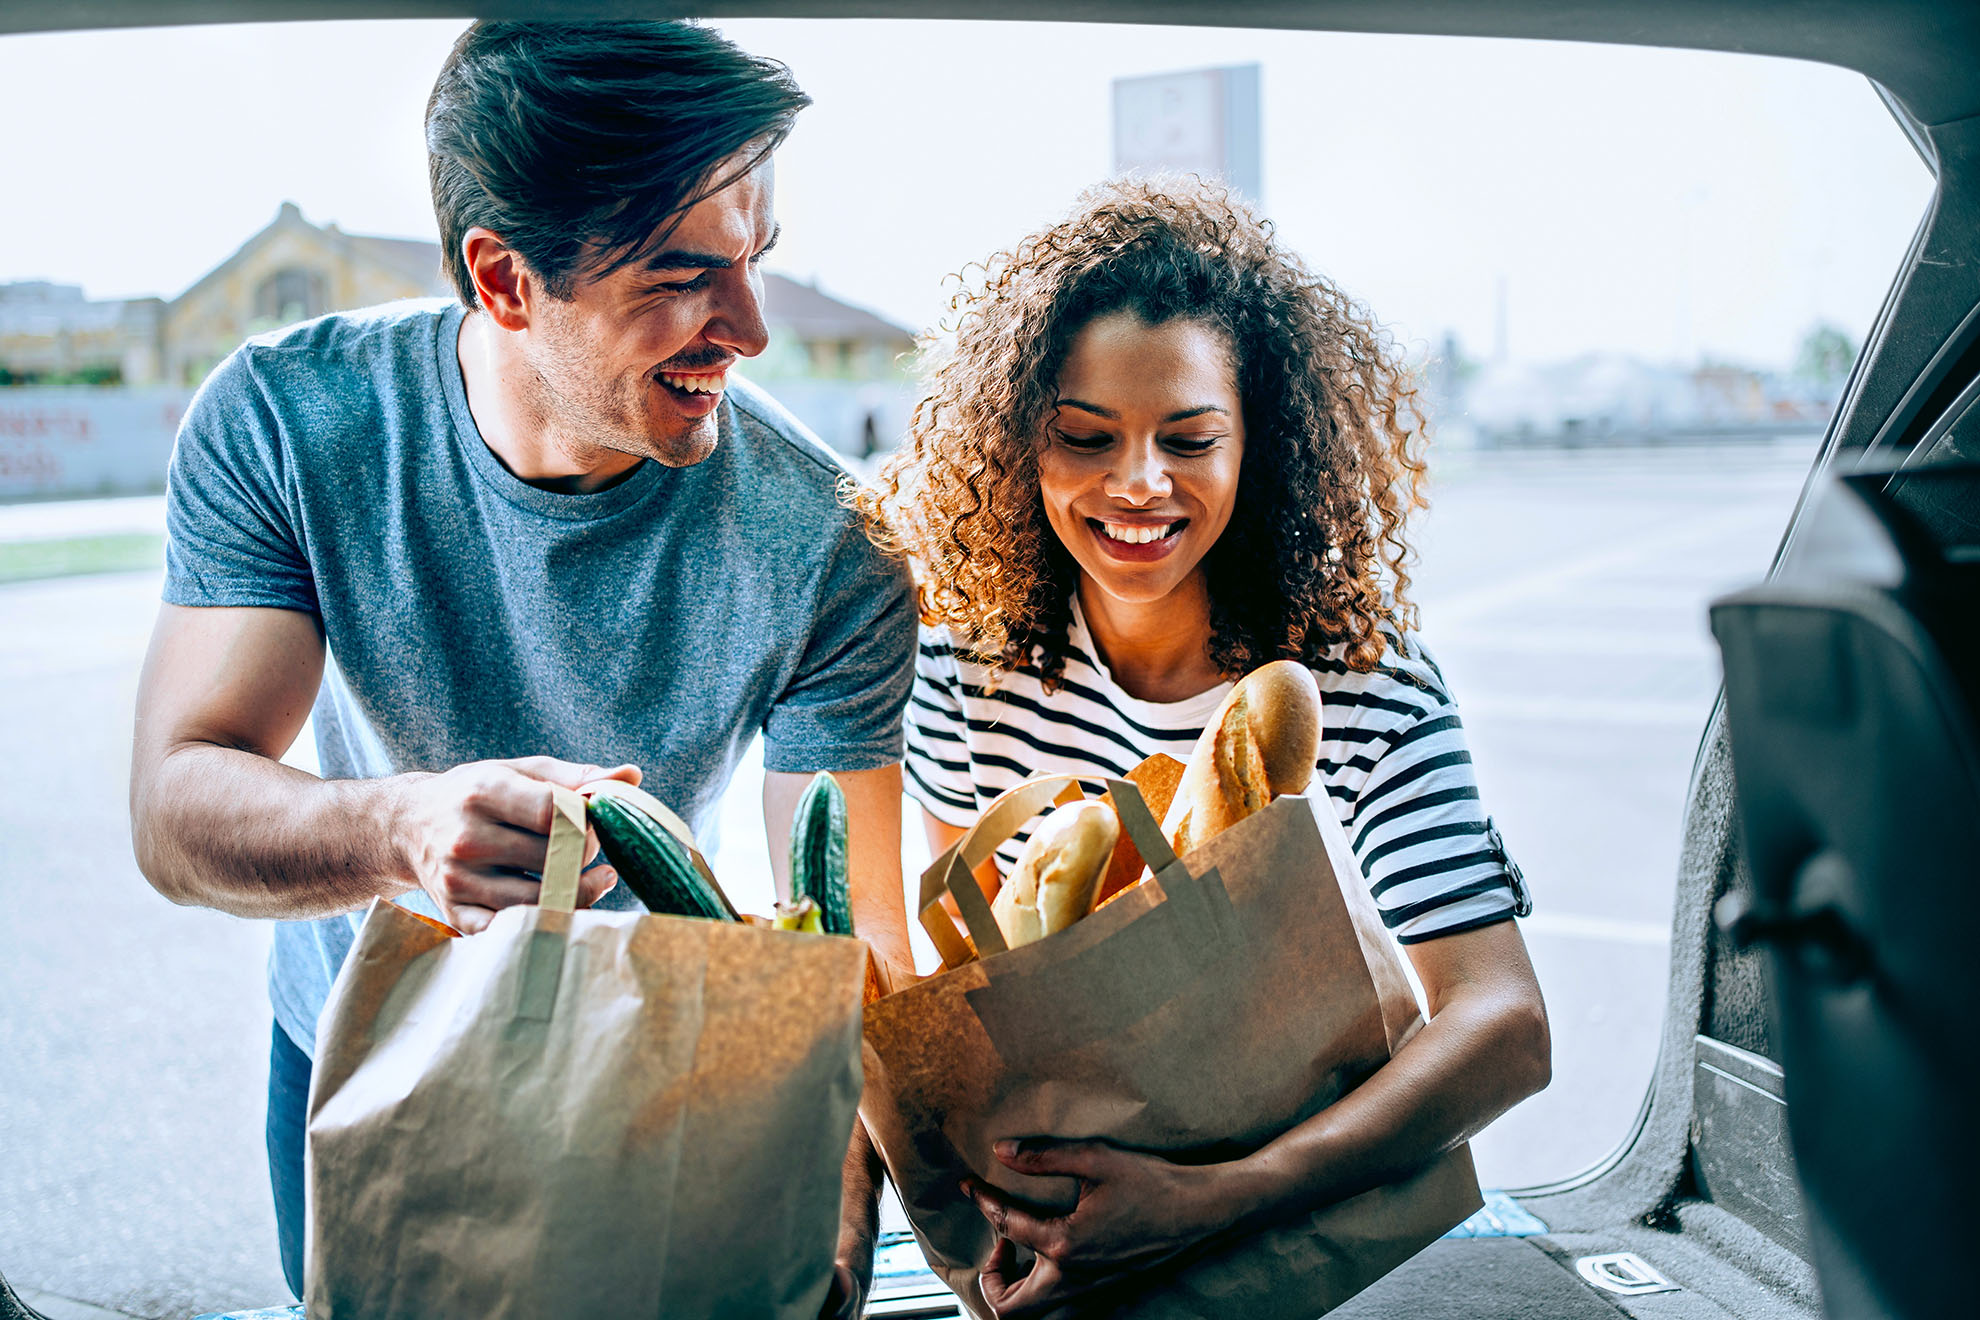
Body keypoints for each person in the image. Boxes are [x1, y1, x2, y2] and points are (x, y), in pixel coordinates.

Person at [127, 21, 913, 1315]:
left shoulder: (835, 545)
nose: (752, 327)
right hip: (356, 1049)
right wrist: (402, 827)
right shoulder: (289, 420)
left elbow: (857, 935)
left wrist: (839, 1195)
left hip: (653, 1069)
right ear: (502, 277)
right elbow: (174, 810)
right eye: (681, 274)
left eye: (755, 257)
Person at [855, 177, 1551, 1315]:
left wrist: (1222, 1194)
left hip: (1308, 1223)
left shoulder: (1362, 684)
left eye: (1189, 439)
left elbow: (1505, 1026)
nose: (1138, 483)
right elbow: (980, 999)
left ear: (1257, 448)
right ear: (1019, 448)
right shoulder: (964, 676)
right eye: (1085, 438)